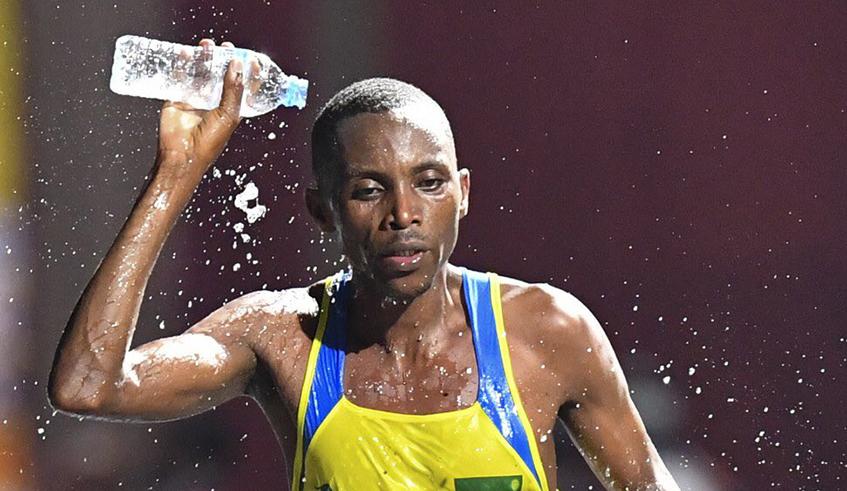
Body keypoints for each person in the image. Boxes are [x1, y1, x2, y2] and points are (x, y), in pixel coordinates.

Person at [48, 39, 680, 491]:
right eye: (369, 190)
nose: (403, 214)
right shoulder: (282, 337)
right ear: (322, 210)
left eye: (429, 183)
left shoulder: (547, 331)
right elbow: (86, 385)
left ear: (463, 193)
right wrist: (176, 173)